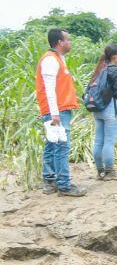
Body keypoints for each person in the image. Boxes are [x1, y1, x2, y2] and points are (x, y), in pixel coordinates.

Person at [36, 27, 85, 196]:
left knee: (52, 144)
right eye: (68, 39)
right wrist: (54, 113)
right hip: (56, 111)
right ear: (59, 42)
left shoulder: (58, 58)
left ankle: (49, 180)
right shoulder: (51, 60)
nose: (70, 42)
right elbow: (49, 89)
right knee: (62, 146)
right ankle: (64, 185)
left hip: (57, 110)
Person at [88, 43, 117, 180]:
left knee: (99, 141)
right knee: (109, 142)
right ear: (115, 56)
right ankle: (109, 171)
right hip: (111, 109)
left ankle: (100, 171)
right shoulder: (114, 70)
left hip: (98, 109)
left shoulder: (100, 68)